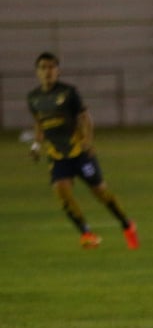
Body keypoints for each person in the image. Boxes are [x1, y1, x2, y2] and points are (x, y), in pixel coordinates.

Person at [26, 52, 139, 249]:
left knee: (100, 193)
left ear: (58, 71)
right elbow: (39, 123)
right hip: (57, 155)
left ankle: (127, 225)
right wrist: (36, 145)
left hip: (78, 152)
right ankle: (87, 234)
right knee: (62, 193)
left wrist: (87, 140)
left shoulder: (69, 93)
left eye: (51, 67)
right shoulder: (33, 98)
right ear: (37, 72)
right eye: (43, 67)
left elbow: (85, 117)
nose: (48, 71)